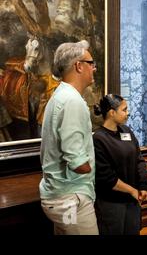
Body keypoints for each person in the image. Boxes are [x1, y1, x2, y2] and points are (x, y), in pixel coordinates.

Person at [39, 40, 98, 235]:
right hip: (71, 200)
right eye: (91, 63)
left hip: (62, 197)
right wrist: (87, 166)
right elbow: (76, 161)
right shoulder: (72, 101)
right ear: (78, 66)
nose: (94, 68)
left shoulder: (60, 95)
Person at [93, 94, 147, 235]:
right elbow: (106, 177)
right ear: (112, 113)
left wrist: (143, 186)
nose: (128, 113)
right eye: (124, 110)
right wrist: (132, 190)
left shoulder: (126, 131)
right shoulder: (98, 139)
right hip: (111, 204)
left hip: (133, 200)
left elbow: (139, 159)